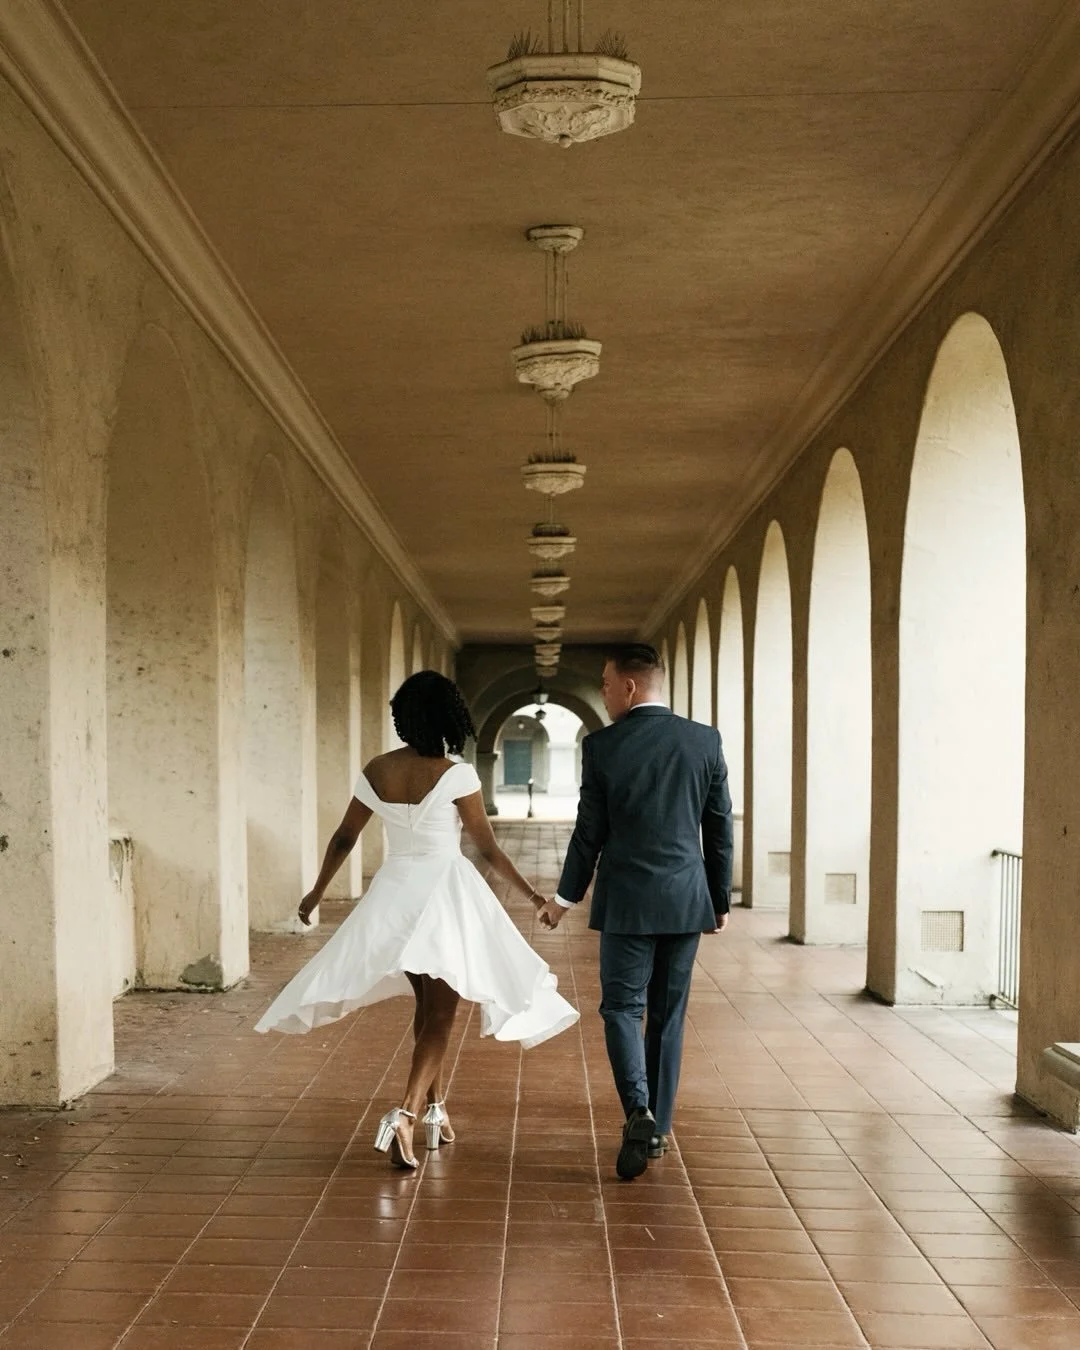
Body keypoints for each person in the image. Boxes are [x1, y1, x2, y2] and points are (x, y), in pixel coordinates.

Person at [256, 670, 579, 1169]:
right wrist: (535, 895)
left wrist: (317, 891)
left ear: (403, 717)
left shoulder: (378, 770)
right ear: (451, 716)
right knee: (442, 1014)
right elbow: (486, 848)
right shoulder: (457, 774)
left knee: (428, 1009)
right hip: (445, 896)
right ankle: (403, 1114)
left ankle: (435, 1110)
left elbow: (345, 836)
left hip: (395, 897)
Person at [538, 644, 733, 1180]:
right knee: (667, 1016)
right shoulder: (704, 741)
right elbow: (719, 828)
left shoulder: (602, 747)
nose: (601, 693)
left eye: (604, 683)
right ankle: (658, 1131)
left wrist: (563, 899)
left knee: (622, 1009)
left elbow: (589, 833)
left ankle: (638, 1112)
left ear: (629, 686)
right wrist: (719, 899)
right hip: (686, 900)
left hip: (626, 901)